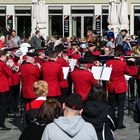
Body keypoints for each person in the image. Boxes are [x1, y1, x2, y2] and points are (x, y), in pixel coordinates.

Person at [106, 52, 131, 129]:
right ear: (120, 56)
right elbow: (128, 72)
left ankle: (112, 123)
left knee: (112, 106)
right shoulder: (122, 63)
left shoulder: (108, 62)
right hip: (120, 87)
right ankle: (120, 124)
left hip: (112, 86)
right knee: (121, 106)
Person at [0, 50, 14, 130]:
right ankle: (1, 124)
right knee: (3, 107)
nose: (6, 58)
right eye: (6, 56)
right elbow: (9, 74)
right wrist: (11, 66)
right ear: (2, 56)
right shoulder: (2, 64)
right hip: (2, 87)